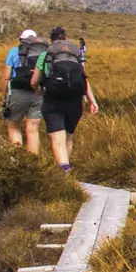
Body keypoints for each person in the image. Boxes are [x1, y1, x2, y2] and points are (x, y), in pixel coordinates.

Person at [37, 26, 95, 170]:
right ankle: (66, 167)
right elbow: (84, 80)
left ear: (52, 39)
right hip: (75, 101)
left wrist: (38, 89)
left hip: (53, 100)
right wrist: (92, 101)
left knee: (58, 138)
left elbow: (34, 80)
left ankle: (64, 171)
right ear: (65, 38)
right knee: (68, 136)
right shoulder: (75, 55)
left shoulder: (46, 54)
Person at [0, 26, 47, 150]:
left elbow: (6, 77)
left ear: (21, 40)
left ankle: (18, 159)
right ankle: (33, 162)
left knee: (13, 126)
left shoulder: (13, 52)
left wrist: (5, 97)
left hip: (17, 91)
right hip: (37, 92)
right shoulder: (43, 53)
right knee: (33, 129)